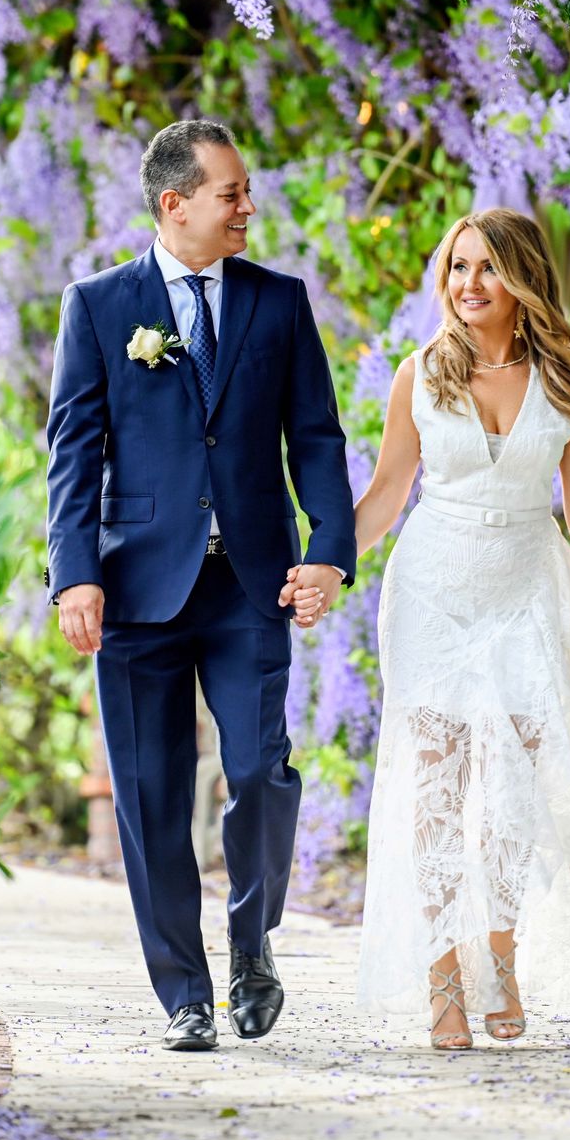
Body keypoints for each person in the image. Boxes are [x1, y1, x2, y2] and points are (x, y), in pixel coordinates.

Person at [45, 120, 356, 1052]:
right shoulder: (99, 307)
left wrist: (329, 549)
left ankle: (252, 942)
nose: (247, 208)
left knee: (261, 769)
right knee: (148, 794)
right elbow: (73, 452)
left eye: (247, 190)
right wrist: (74, 575)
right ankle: (183, 992)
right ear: (174, 205)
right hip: (136, 589)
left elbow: (317, 438)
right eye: (231, 194)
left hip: (250, 581)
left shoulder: (278, 302)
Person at [326, 207, 570, 1048]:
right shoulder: (419, 373)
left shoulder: (563, 379)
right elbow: (387, 493)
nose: (467, 285)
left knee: (516, 798)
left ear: (522, 277)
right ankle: (444, 982)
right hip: (433, 593)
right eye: (457, 268)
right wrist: (326, 561)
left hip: (529, 589)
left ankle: (500, 959)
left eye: (486, 268)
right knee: (440, 792)